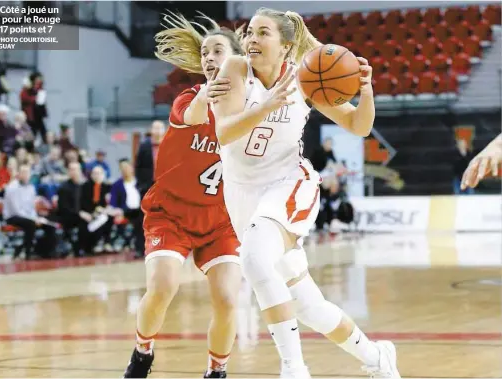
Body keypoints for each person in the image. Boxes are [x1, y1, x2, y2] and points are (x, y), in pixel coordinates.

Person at [211, 8, 399, 378]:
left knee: (255, 261)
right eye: (249, 32)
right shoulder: (234, 69)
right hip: (241, 195)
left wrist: (366, 91)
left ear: (286, 46)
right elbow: (224, 133)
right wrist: (265, 106)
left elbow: (358, 126)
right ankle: (377, 357)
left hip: (288, 185)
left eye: (262, 33)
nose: (251, 40)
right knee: (309, 306)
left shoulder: (306, 77)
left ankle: (294, 370)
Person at [123, 13, 244, 379]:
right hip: (171, 213)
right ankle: (143, 352)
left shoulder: (252, 109)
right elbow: (192, 116)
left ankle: (216, 371)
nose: (208, 58)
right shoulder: (189, 98)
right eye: (205, 52)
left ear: (237, 59)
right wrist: (207, 94)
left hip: (221, 220)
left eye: (217, 51)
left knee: (227, 298)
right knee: (162, 287)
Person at [3, 163, 57, 259]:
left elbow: (31, 207)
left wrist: (36, 218)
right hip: (12, 216)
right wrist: (33, 219)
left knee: (49, 225)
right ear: (18, 174)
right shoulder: (12, 188)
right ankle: (27, 252)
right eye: (23, 172)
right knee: (31, 224)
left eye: (27, 172)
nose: (26, 175)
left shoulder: (31, 187)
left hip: (28, 216)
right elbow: (17, 210)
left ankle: (44, 251)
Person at [109, 158, 145, 256]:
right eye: (122, 168)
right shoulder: (117, 185)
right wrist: (117, 211)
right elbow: (113, 202)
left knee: (141, 219)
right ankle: (139, 249)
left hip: (141, 209)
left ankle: (142, 248)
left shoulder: (140, 181)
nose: (125, 170)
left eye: (126, 167)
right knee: (138, 221)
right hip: (125, 211)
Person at [79, 165, 112, 255]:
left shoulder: (106, 187)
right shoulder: (85, 186)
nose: (97, 175)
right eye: (95, 173)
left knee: (107, 218)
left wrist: (105, 209)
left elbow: (109, 202)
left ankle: (106, 242)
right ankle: (92, 245)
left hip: (103, 212)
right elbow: (83, 202)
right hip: (89, 212)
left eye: (99, 173)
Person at [57, 161, 85, 257]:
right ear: (68, 172)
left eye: (76, 169)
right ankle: (78, 248)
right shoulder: (63, 187)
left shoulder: (83, 186)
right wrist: (79, 213)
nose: (74, 172)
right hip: (67, 216)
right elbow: (63, 208)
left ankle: (89, 246)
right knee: (83, 222)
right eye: (71, 170)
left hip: (81, 215)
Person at [135, 119, 166, 197]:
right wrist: (140, 185)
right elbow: (138, 166)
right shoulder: (144, 146)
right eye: (155, 128)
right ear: (151, 130)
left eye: (160, 128)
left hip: (165, 185)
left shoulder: (169, 145)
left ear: (164, 130)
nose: (158, 130)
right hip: (148, 185)